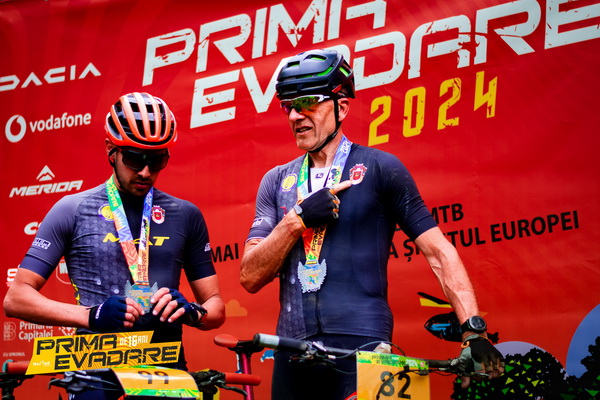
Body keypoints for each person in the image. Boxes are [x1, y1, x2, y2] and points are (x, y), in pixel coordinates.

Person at [239, 49, 504, 399]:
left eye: (306, 103)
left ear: (342, 107)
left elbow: (439, 251)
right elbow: (250, 276)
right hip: (292, 349)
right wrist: (296, 220)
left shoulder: (380, 167)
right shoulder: (276, 181)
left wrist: (474, 331)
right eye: (287, 106)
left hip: (364, 345)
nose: (294, 115)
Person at [4, 92, 226, 399]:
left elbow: (215, 307)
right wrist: (91, 315)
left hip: (162, 362)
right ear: (111, 150)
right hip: (93, 362)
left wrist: (192, 312)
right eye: (134, 158)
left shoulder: (185, 214)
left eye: (157, 160)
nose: (145, 172)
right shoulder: (73, 209)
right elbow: (16, 299)